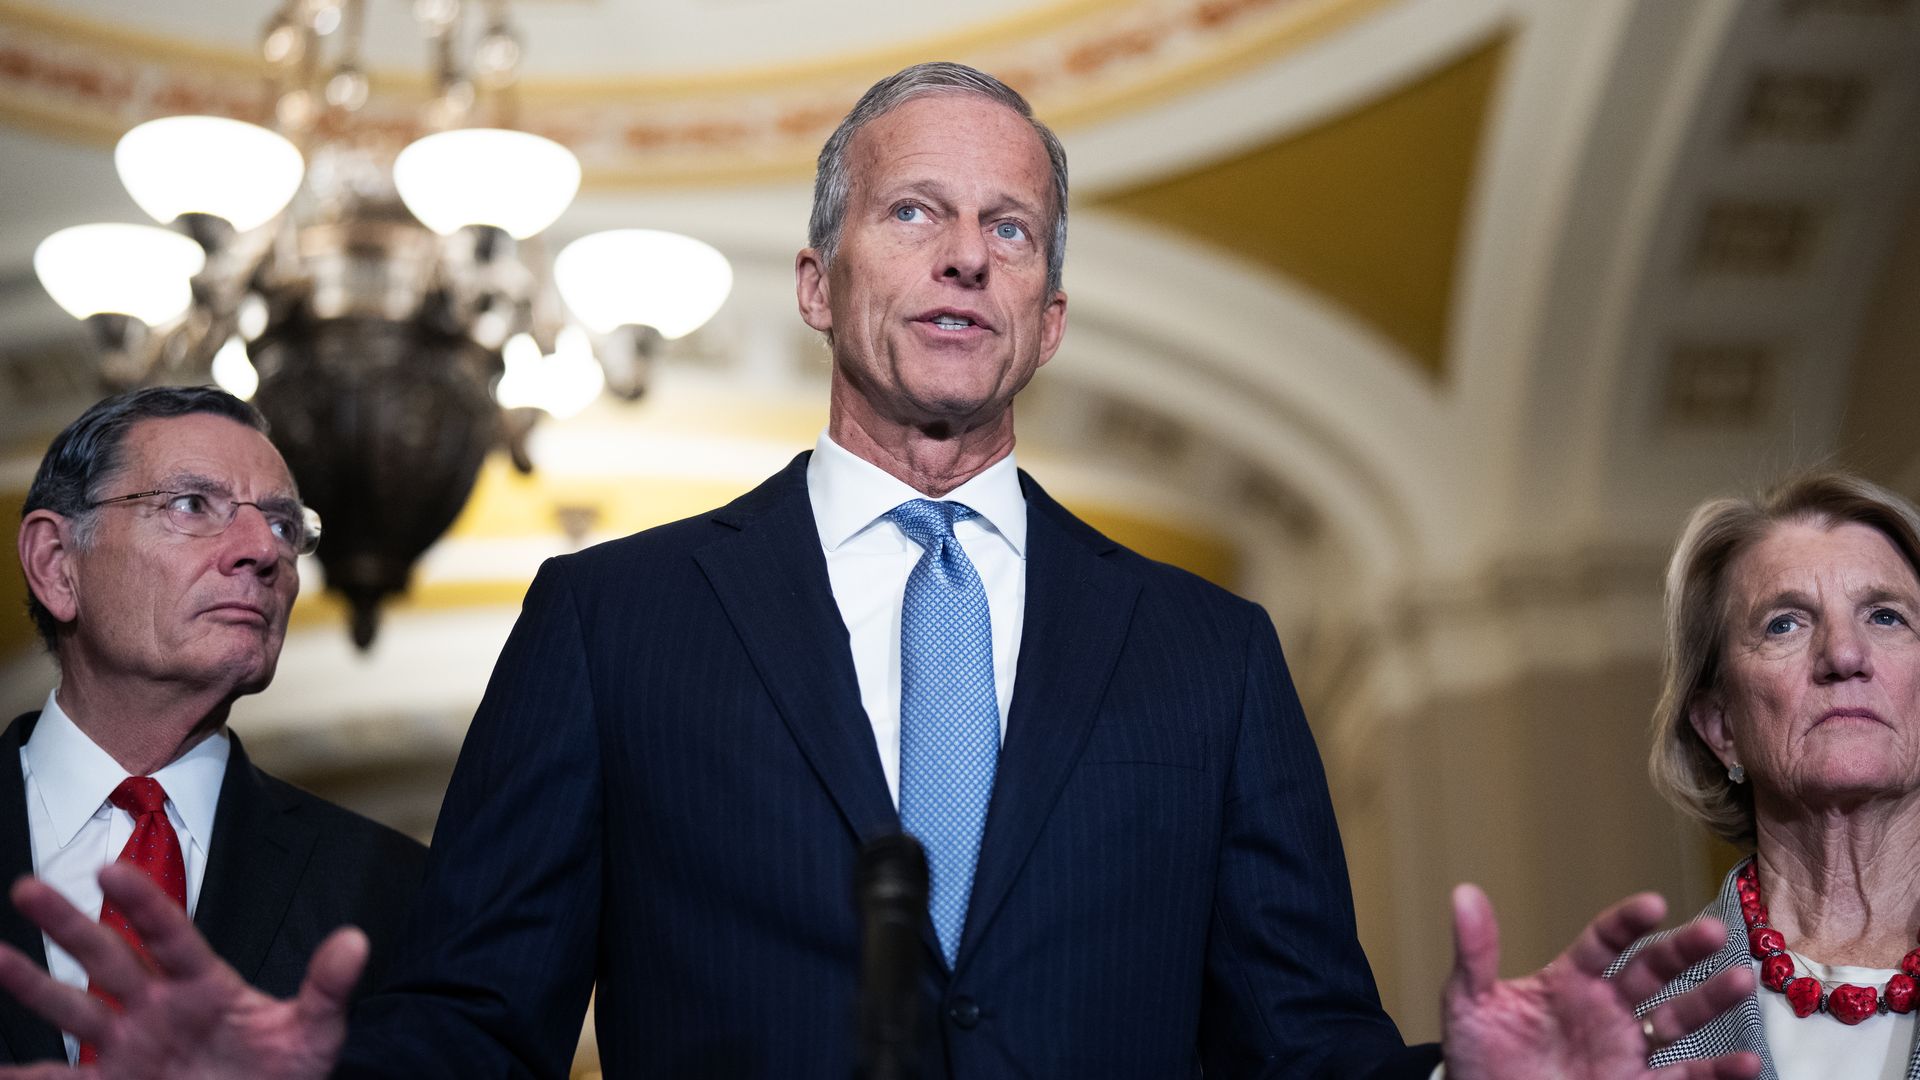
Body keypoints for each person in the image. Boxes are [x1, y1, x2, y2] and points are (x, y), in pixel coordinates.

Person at [0, 64, 1758, 1079]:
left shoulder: (1206, 655)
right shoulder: (615, 625)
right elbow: (478, 1029)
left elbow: (1302, 1054)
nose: (966, 259)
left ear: (1051, 320)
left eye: (1011, 232)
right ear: (818, 279)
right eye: (914, 213)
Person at [0, 386, 426, 1066]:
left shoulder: (393, 890)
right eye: (192, 504)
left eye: (285, 526)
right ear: (57, 565)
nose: (261, 549)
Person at [1614, 471, 1920, 1079]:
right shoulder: (1621, 1017)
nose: (1844, 655)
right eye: (1785, 623)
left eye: (1885, 616)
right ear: (1720, 725)